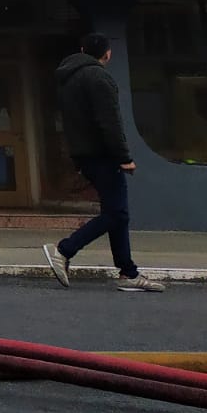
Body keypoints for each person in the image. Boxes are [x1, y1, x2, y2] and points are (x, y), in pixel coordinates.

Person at [44, 33, 164, 292]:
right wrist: (124, 158)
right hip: (103, 155)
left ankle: (128, 272)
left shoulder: (69, 78)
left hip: (85, 154)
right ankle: (64, 250)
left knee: (117, 214)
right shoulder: (99, 77)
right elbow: (109, 122)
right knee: (116, 213)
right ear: (107, 54)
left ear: (82, 49)